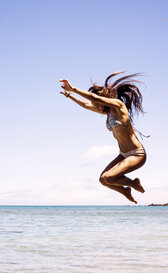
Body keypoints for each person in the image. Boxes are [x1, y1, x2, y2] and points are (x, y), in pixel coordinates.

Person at [59, 72, 147, 204]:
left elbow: (96, 99)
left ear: (105, 98)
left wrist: (74, 89)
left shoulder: (118, 106)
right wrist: (70, 96)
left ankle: (134, 184)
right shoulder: (107, 112)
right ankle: (125, 191)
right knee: (103, 180)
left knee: (109, 177)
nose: (94, 105)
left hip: (136, 154)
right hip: (123, 155)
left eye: (96, 101)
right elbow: (86, 105)